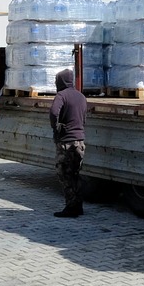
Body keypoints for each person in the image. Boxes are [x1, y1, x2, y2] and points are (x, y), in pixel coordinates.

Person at [49, 67, 87, 217]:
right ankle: (78, 205)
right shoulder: (81, 96)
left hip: (66, 141)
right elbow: (84, 117)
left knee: (64, 174)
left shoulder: (61, 95)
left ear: (61, 81)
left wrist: (56, 126)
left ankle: (71, 208)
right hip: (80, 141)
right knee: (76, 173)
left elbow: (53, 112)